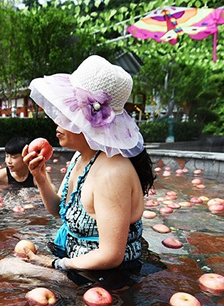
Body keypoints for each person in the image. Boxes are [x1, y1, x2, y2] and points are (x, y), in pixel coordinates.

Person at [21, 55, 154, 275]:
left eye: (67, 112)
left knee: (7, 268)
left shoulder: (112, 172)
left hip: (105, 277)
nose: (57, 120)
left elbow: (111, 255)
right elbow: (59, 211)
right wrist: (41, 178)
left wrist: (54, 264)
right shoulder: (82, 157)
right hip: (75, 260)